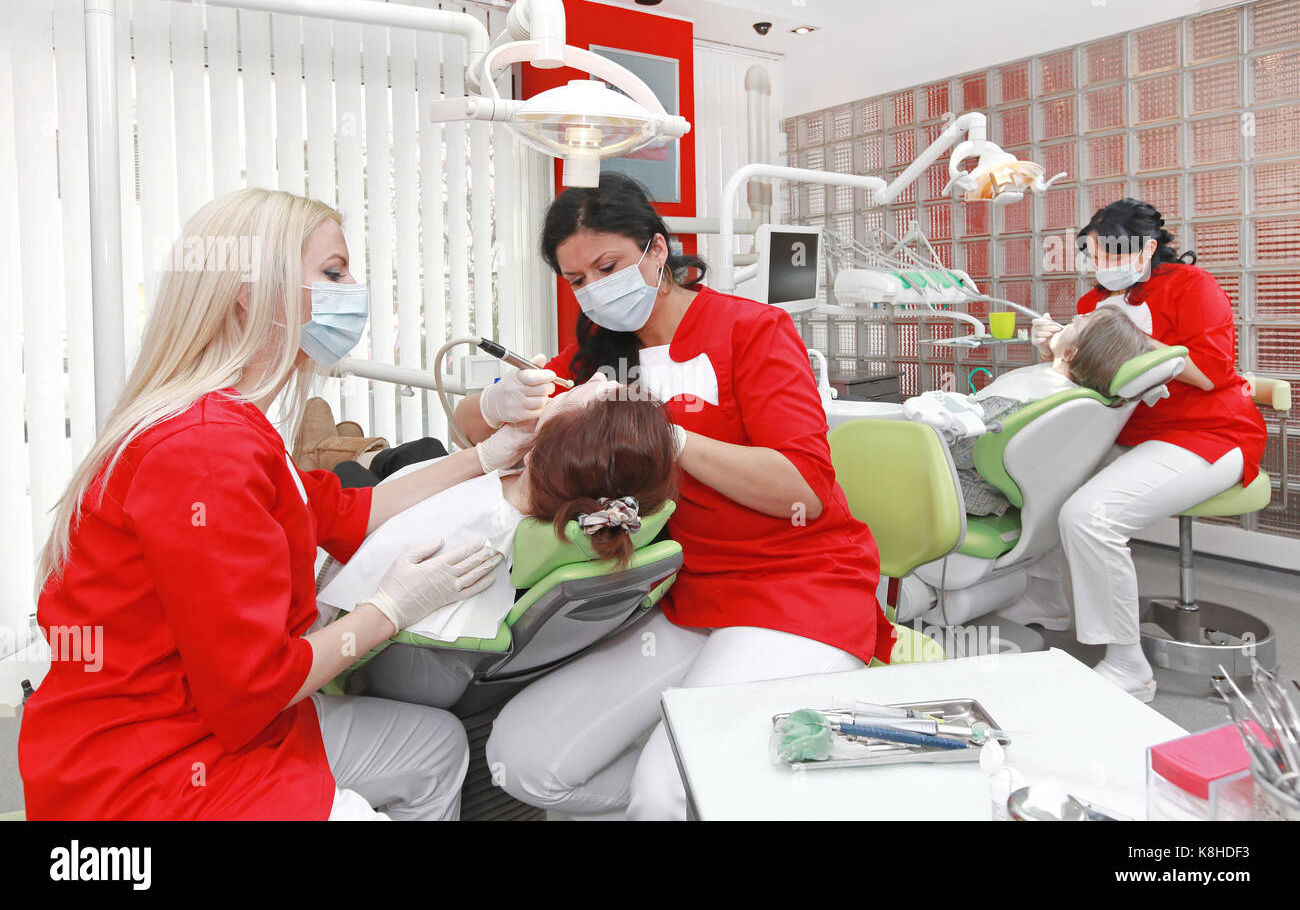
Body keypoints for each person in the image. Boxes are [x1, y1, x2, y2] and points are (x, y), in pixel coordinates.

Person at [18, 188, 532, 820]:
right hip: (152, 774)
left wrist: (485, 455)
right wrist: (389, 609)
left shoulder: (235, 425)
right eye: (334, 273)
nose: (354, 292)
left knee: (433, 749)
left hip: (200, 722)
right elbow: (252, 689)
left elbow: (345, 513)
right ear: (251, 294)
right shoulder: (207, 451)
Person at [453, 172, 894, 821]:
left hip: (795, 592)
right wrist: (495, 401)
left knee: (669, 787)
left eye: (608, 266)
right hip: (679, 596)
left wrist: (671, 437)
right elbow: (472, 429)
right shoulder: (605, 355)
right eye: (577, 279)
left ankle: (701, 795)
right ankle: (743, 796)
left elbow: (801, 488)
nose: (595, 289)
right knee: (520, 760)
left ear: (657, 251)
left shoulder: (754, 330)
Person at [1007, 198, 1267, 702]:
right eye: (1093, 255)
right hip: (1127, 434)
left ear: (1146, 247)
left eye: (1109, 253)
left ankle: (1128, 664)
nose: (1099, 265)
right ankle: (1044, 599)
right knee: (1032, 481)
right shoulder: (1092, 302)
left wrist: (1131, 338)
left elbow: (1211, 372)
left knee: (1089, 515)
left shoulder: (1193, 287)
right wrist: (1055, 348)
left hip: (1209, 435)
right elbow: (1094, 382)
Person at [339, 377, 678, 708]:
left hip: (386, 659)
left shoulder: (457, 532)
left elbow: (349, 561)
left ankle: (345, 454)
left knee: (348, 475)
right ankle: (359, 451)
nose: (599, 375)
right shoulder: (569, 496)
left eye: (583, 393)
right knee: (423, 450)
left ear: (550, 445)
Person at [949, 305, 1154, 517]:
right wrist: (1049, 353)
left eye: (1077, 323)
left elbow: (953, 451)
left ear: (1071, 352)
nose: (1076, 316)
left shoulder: (1017, 403)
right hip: (999, 490)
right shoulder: (1071, 397)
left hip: (962, 489)